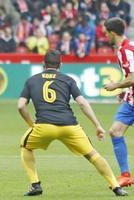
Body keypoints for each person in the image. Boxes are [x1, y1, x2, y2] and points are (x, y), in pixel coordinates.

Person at [18, 50, 127, 196]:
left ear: (43, 64)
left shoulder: (31, 80)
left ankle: (35, 184)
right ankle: (116, 186)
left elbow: (21, 105)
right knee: (92, 155)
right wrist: (97, 125)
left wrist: (31, 124)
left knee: (25, 146)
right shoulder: (68, 79)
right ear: (60, 65)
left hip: (44, 125)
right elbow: (82, 103)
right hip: (70, 126)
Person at [104, 17, 134, 187]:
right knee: (115, 131)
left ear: (113, 33)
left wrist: (116, 85)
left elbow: (133, 77)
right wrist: (125, 91)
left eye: (106, 33)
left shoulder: (126, 51)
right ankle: (125, 175)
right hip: (131, 100)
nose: (105, 36)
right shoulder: (125, 48)